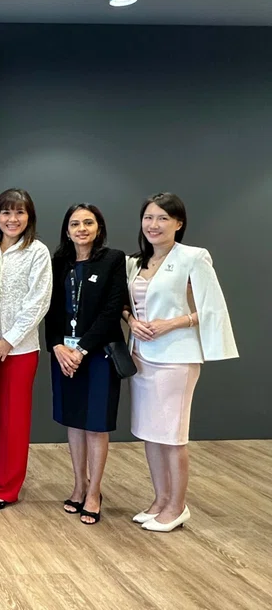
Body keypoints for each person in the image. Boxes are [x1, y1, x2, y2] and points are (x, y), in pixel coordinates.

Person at [124, 193, 237, 532]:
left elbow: (212, 308)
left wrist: (171, 323)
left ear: (178, 223)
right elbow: (124, 304)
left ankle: (177, 506)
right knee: (150, 432)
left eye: (162, 218)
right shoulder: (134, 262)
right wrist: (131, 320)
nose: (153, 225)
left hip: (176, 357)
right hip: (140, 356)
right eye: (148, 217)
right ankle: (159, 499)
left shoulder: (193, 257)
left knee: (172, 434)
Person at [44, 204, 127, 526]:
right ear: (67, 230)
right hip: (64, 354)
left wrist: (81, 351)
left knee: (96, 424)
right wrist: (58, 347)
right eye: (75, 223)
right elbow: (49, 310)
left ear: (98, 227)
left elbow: (111, 310)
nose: (82, 228)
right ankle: (78, 485)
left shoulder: (113, 260)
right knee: (74, 422)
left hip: (97, 355)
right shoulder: (59, 263)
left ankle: (95, 491)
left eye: (88, 223)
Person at [0, 188, 52, 510]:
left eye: (19, 213)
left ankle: (8, 486)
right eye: (6, 212)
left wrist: (9, 340)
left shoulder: (37, 252)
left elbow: (39, 302)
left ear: (29, 217)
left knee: (14, 419)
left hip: (19, 350)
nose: (13, 219)